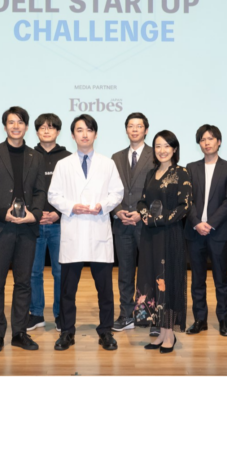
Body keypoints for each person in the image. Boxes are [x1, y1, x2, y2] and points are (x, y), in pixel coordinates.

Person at [48, 114, 124, 351]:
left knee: (105, 290)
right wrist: (71, 207)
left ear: (95, 134)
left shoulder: (107, 164)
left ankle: (105, 332)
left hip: (98, 229)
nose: (84, 134)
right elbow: (53, 195)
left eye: (89, 130)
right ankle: (67, 332)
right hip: (73, 230)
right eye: (79, 130)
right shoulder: (63, 164)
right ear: (72, 135)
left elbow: (117, 192)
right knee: (67, 290)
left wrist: (103, 205)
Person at [0, 106, 46, 353]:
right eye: (11, 122)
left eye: (20, 122)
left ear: (26, 126)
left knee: (23, 283)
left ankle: (19, 333)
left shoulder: (35, 156)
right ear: (5, 126)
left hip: (26, 229)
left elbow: (40, 191)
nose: (16, 126)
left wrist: (34, 214)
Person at [137, 130, 192, 353]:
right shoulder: (151, 173)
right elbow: (142, 201)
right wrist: (144, 215)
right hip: (150, 236)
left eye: (167, 146)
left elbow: (184, 205)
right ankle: (160, 331)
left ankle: (170, 334)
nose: (162, 150)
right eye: (158, 146)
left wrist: (158, 220)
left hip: (169, 235)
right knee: (151, 279)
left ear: (174, 149)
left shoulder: (181, 172)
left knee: (167, 280)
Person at [184, 124, 227, 337]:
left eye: (211, 139)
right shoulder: (190, 168)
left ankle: (224, 320)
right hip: (195, 231)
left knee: (221, 279)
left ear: (219, 142)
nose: (207, 143)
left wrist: (211, 223)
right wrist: (197, 222)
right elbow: (186, 199)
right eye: (203, 139)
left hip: (219, 232)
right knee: (197, 279)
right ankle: (200, 320)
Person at [26, 113, 71, 333]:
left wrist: (58, 214)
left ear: (58, 131)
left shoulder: (68, 158)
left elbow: (73, 191)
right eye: (42, 127)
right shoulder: (28, 155)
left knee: (60, 272)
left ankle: (61, 315)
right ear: (36, 132)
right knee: (33, 272)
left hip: (59, 224)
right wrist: (35, 214)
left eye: (51, 127)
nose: (46, 131)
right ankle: (36, 314)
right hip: (33, 224)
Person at [111, 112, 155, 332]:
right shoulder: (116, 157)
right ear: (126, 129)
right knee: (125, 272)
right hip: (122, 223)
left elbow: (158, 191)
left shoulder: (155, 155)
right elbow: (109, 189)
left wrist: (141, 213)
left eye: (139, 126)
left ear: (146, 130)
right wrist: (118, 210)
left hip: (145, 224)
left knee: (149, 271)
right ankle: (126, 314)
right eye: (131, 126)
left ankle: (148, 315)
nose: (135, 129)